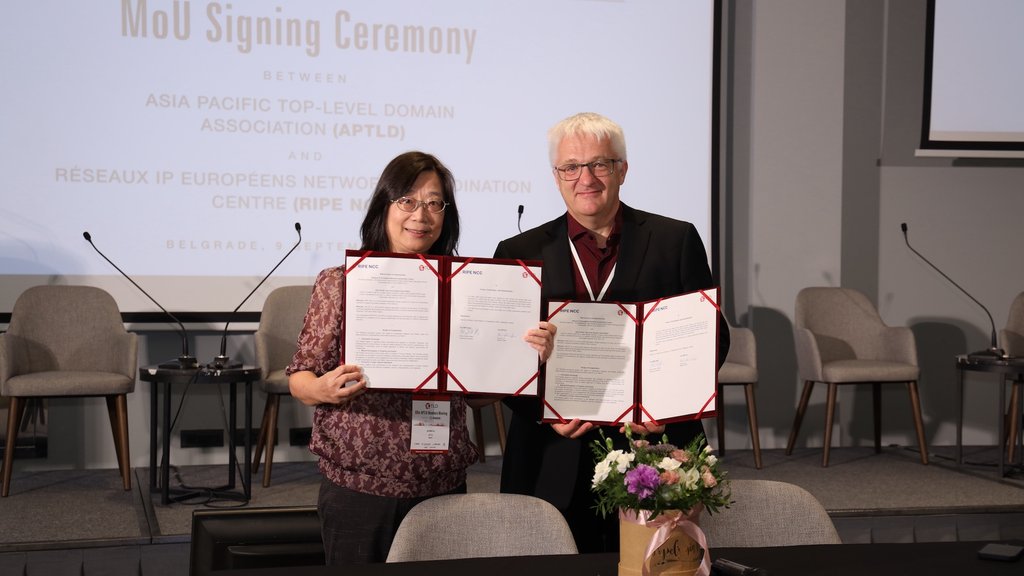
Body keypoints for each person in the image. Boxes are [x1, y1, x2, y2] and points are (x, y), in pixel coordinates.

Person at [286, 150, 555, 566]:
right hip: (360, 488)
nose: (421, 215)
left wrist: (525, 362)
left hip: (440, 485)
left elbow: (475, 395)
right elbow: (299, 377)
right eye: (407, 201)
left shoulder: (465, 289)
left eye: (434, 203)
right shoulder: (340, 284)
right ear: (384, 206)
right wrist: (321, 388)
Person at [493, 112, 731, 553]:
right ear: (556, 175)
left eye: (600, 164)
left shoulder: (674, 239)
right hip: (553, 453)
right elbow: (501, 361)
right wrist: (544, 411)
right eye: (571, 167)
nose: (586, 178)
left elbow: (712, 338)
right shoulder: (519, 252)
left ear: (622, 169)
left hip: (655, 449)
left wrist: (670, 406)